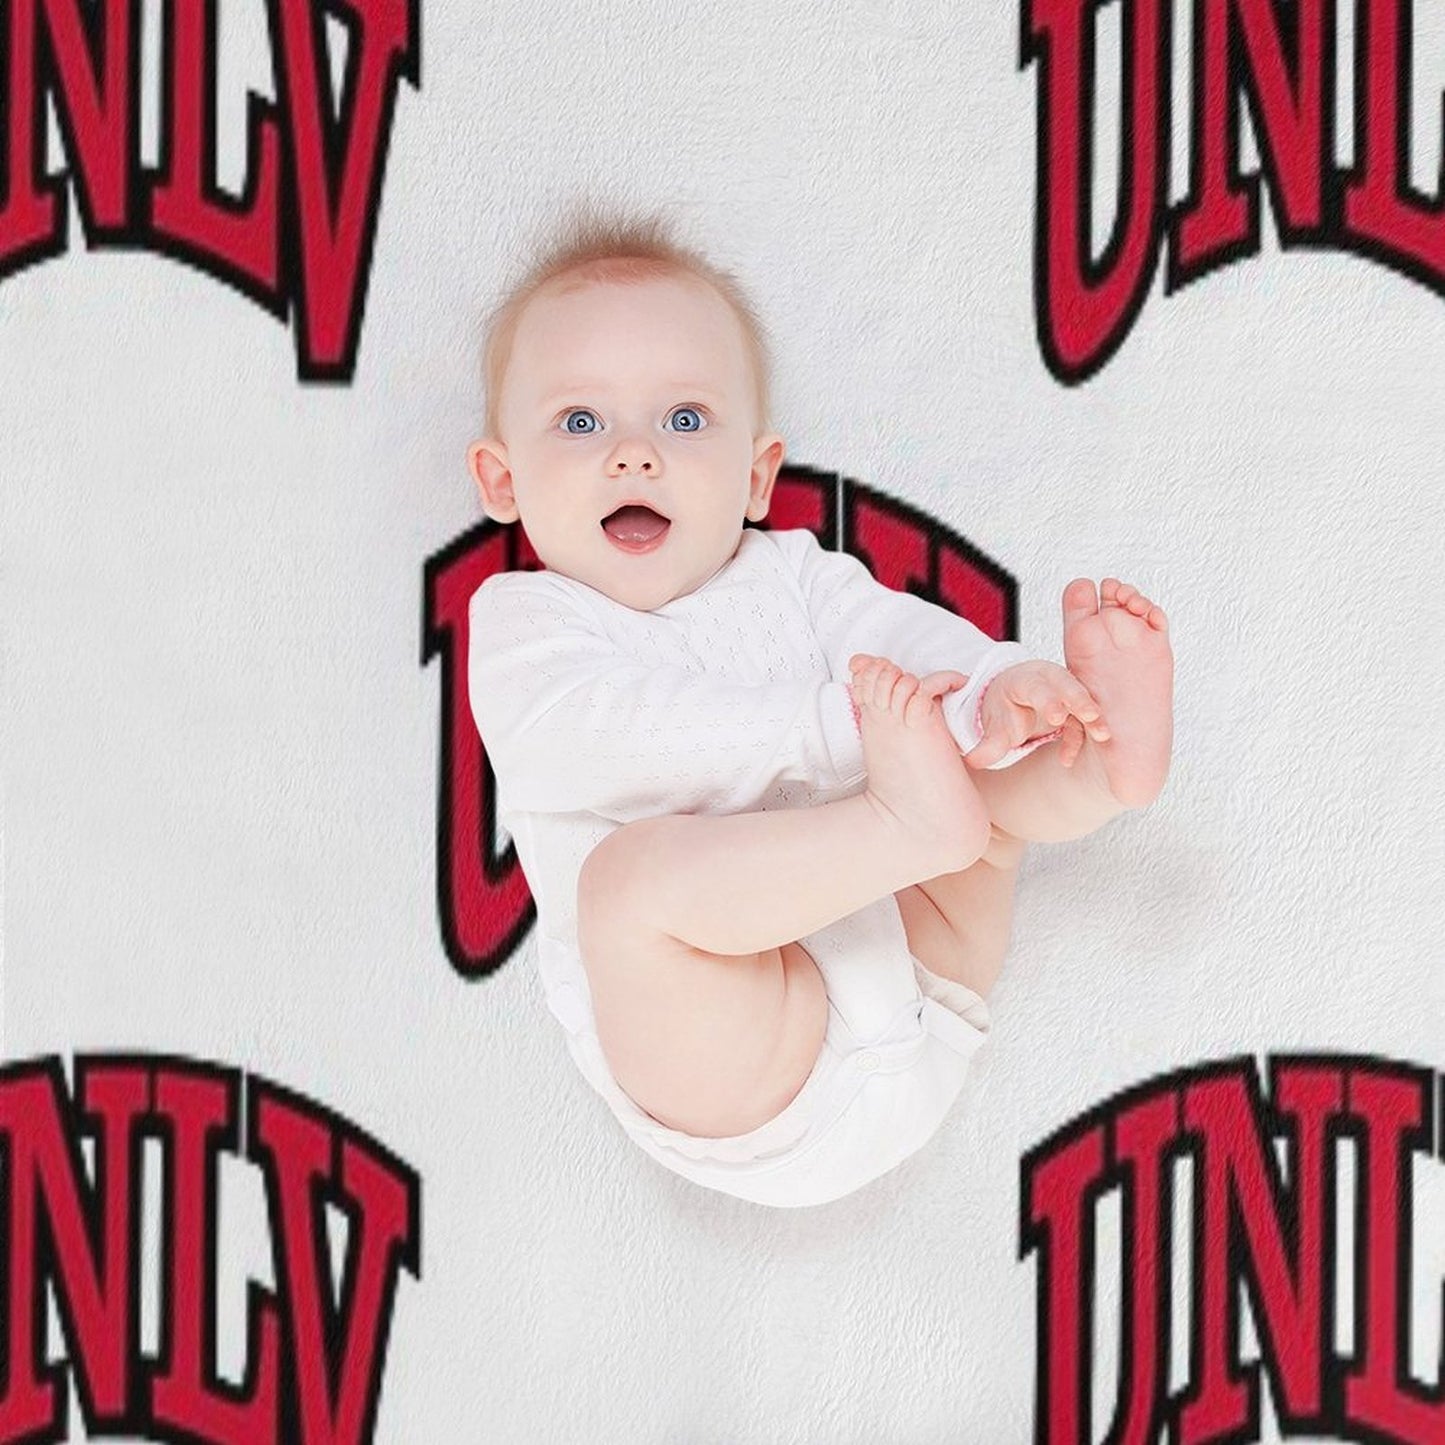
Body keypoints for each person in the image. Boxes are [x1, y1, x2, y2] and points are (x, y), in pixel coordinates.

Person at [465, 209, 1173, 1207]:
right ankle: (911, 819)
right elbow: (603, 737)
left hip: (926, 969)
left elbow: (908, 643)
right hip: (749, 1062)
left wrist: (993, 688)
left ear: (756, 475)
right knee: (627, 889)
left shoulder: (791, 575)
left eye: (683, 419)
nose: (634, 455)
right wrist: (843, 733)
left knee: (978, 764)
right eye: (580, 422)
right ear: (502, 477)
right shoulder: (526, 622)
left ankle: (1097, 764)